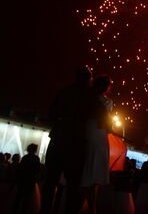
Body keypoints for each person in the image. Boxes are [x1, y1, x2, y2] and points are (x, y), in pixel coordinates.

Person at [41, 66, 93, 214]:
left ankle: (45, 210)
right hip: (75, 142)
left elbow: (51, 113)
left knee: (50, 182)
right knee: (73, 184)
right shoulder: (90, 96)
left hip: (58, 138)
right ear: (88, 79)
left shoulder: (63, 92)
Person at [80, 74, 113, 214]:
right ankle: (91, 208)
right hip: (99, 133)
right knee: (95, 170)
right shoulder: (107, 102)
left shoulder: (86, 97)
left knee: (86, 167)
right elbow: (107, 121)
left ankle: (88, 206)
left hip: (87, 130)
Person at [13, 143, 41, 214]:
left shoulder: (25, 157)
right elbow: (37, 170)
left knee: (18, 197)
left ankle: (15, 210)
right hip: (30, 180)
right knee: (27, 198)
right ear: (35, 150)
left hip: (22, 180)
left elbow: (20, 169)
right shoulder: (36, 158)